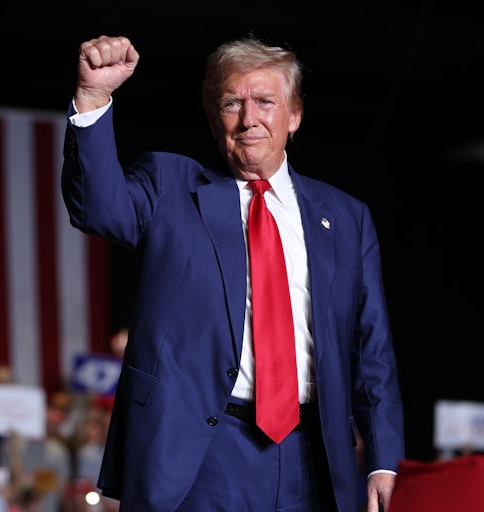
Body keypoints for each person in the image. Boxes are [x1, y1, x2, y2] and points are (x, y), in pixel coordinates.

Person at [60, 35, 405, 512]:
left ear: (295, 116)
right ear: (212, 117)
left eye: (265, 101)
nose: (249, 119)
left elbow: (373, 354)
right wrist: (95, 98)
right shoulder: (170, 186)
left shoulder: (346, 218)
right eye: (231, 103)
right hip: (201, 453)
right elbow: (97, 209)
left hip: (316, 458)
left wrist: (384, 459)